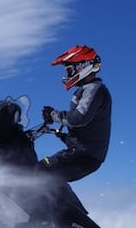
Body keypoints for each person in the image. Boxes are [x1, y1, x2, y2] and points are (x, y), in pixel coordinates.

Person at [40, 44, 112, 182]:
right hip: (83, 153)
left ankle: (33, 201)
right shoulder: (88, 89)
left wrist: (54, 114)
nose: (67, 75)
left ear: (82, 67)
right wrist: (62, 135)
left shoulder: (94, 89)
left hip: (84, 155)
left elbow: (79, 118)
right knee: (48, 176)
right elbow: (85, 129)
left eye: (69, 70)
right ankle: (49, 202)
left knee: (41, 172)